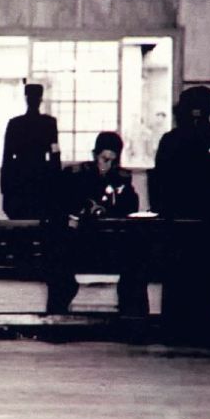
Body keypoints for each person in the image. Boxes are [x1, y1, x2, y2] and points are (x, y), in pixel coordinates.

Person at [151, 86, 210, 338]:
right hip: (201, 224)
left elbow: (158, 184)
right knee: (197, 281)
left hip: (196, 224)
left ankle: (182, 330)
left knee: (189, 280)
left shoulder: (173, 140)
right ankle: (195, 330)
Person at [48, 131, 146, 316]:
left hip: (110, 245)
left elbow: (130, 209)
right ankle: (56, 317)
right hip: (79, 243)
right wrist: (83, 211)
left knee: (137, 264)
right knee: (59, 261)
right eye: (104, 159)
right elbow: (60, 207)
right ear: (95, 155)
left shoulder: (122, 179)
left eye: (113, 161)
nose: (107, 165)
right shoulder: (75, 176)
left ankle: (133, 319)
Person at [0, 83, 62, 220]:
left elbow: (7, 158)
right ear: (41, 99)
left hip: (22, 179)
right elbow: (55, 154)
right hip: (39, 178)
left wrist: (5, 188)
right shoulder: (48, 123)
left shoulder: (16, 123)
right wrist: (56, 181)